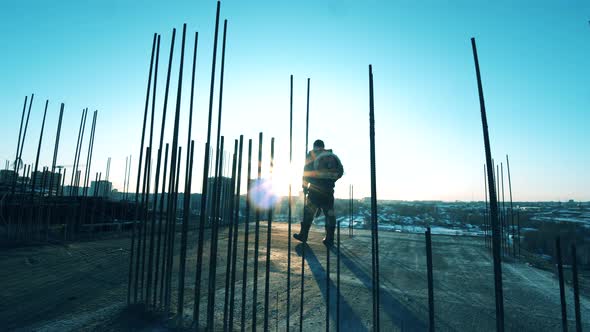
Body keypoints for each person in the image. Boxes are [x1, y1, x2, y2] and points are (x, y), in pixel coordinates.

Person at [293, 139, 344, 246]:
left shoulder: (312, 155)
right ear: (323, 146)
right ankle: (329, 238)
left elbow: (306, 173)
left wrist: (305, 187)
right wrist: (331, 180)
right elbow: (340, 171)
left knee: (308, 213)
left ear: (314, 146)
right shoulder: (330, 156)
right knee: (329, 214)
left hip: (315, 190)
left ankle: (303, 235)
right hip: (328, 191)